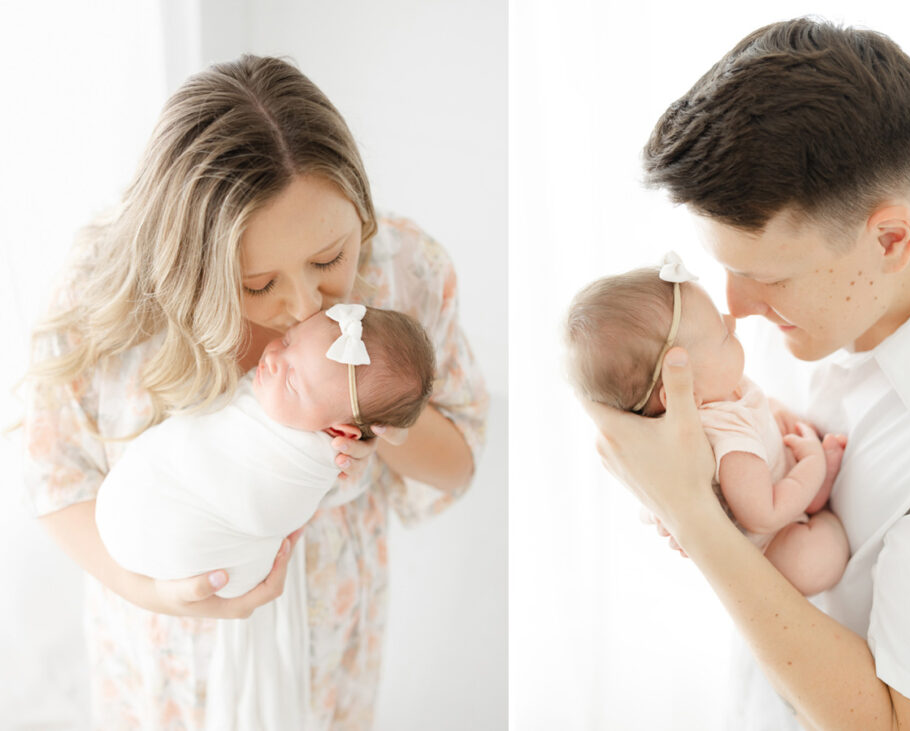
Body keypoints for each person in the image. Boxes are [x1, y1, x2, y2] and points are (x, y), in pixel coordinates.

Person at [583, 18, 910, 730]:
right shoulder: (843, 286)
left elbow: (906, 725)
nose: (735, 308)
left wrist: (692, 518)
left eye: (766, 277)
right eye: (724, 267)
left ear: (890, 239)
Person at [22, 55, 487, 730]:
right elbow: (53, 476)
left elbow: (460, 461)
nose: (302, 304)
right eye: (257, 283)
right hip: (164, 646)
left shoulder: (406, 270)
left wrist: (380, 423)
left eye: (329, 261)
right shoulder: (109, 294)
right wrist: (155, 592)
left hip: (328, 631)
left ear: (359, 206)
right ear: (188, 262)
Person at [96, 304, 436, 598]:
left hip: (205, 554)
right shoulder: (294, 397)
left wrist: (386, 441)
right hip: (131, 544)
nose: (273, 359)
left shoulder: (302, 459)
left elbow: (261, 507)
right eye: (288, 340)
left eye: (292, 381)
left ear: (338, 432)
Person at [565, 255, 849, 595]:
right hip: (774, 542)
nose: (732, 322)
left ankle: (808, 495)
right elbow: (765, 514)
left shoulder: (719, 389)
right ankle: (816, 502)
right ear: (680, 388)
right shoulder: (726, 443)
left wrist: (775, 413)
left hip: (776, 486)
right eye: (722, 335)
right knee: (812, 559)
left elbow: (752, 407)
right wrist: (813, 462)